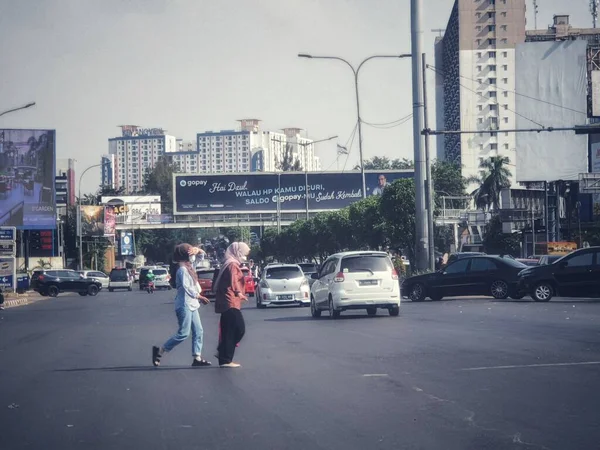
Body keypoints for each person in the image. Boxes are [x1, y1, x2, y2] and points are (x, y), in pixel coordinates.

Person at [152, 244, 211, 367]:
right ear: (184, 256)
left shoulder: (190, 267)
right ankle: (161, 350)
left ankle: (197, 357)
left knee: (198, 331)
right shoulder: (182, 270)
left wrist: (198, 250)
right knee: (183, 333)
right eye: (191, 255)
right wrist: (199, 297)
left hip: (192, 304)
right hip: (184, 304)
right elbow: (186, 287)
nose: (194, 257)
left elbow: (202, 256)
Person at [214, 242, 250, 368]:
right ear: (237, 252)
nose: (244, 256)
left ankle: (223, 354)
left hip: (229, 301)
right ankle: (225, 358)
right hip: (230, 301)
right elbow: (233, 279)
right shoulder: (233, 265)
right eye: (244, 253)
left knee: (228, 331)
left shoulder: (229, 262)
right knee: (239, 328)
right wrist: (238, 292)